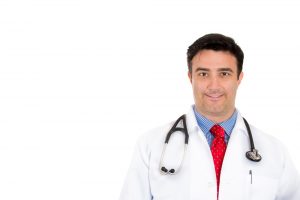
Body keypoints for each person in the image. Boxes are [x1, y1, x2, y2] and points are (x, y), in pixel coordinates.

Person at [119, 33, 300, 200]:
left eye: (224, 74)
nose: (214, 85)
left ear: (239, 78)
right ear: (191, 77)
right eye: (203, 74)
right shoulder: (150, 145)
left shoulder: (275, 152)